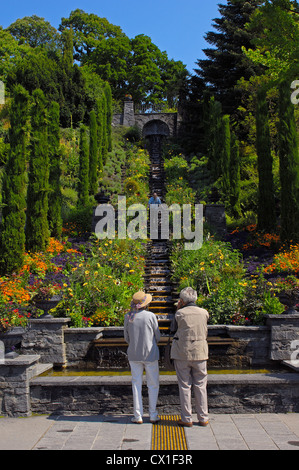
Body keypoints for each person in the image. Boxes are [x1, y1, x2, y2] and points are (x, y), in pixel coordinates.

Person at [170, 287, 209, 427]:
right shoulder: (204, 313)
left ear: (181, 300)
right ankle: (203, 417)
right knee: (201, 385)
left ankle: (187, 418)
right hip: (200, 352)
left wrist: (178, 309)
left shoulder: (180, 313)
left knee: (185, 386)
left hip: (182, 352)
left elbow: (172, 329)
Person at [124, 291, 161, 424]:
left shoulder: (128, 316)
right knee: (153, 384)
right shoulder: (151, 316)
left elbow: (126, 337)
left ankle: (137, 415)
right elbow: (158, 336)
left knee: (136, 384)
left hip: (134, 354)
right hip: (150, 354)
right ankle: (152, 414)